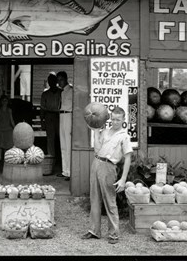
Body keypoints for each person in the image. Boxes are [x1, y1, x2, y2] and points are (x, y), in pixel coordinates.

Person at [81, 106, 133, 244]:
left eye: (118, 119)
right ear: (110, 118)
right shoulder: (105, 132)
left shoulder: (124, 136)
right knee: (94, 199)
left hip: (109, 167)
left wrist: (123, 179)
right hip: (96, 163)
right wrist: (96, 131)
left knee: (110, 201)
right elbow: (97, 150)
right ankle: (94, 231)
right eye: (113, 119)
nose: (115, 122)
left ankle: (114, 234)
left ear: (123, 120)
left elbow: (128, 158)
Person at [40, 73, 61, 159]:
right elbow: (42, 108)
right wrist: (42, 121)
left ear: (56, 81)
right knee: (50, 138)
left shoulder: (61, 92)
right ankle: (51, 158)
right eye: (50, 81)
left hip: (60, 116)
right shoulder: (45, 94)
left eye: (53, 81)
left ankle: (61, 158)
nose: (51, 82)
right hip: (49, 116)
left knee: (61, 137)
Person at [57, 71, 72, 181]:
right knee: (63, 144)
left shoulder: (71, 91)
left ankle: (70, 171)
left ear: (66, 79)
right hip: (61, 115)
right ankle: (65, 170)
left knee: (68, 144)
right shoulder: (61, 92)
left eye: (61, 80)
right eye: (58, 80)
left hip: (69, 115)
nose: (59, 82)